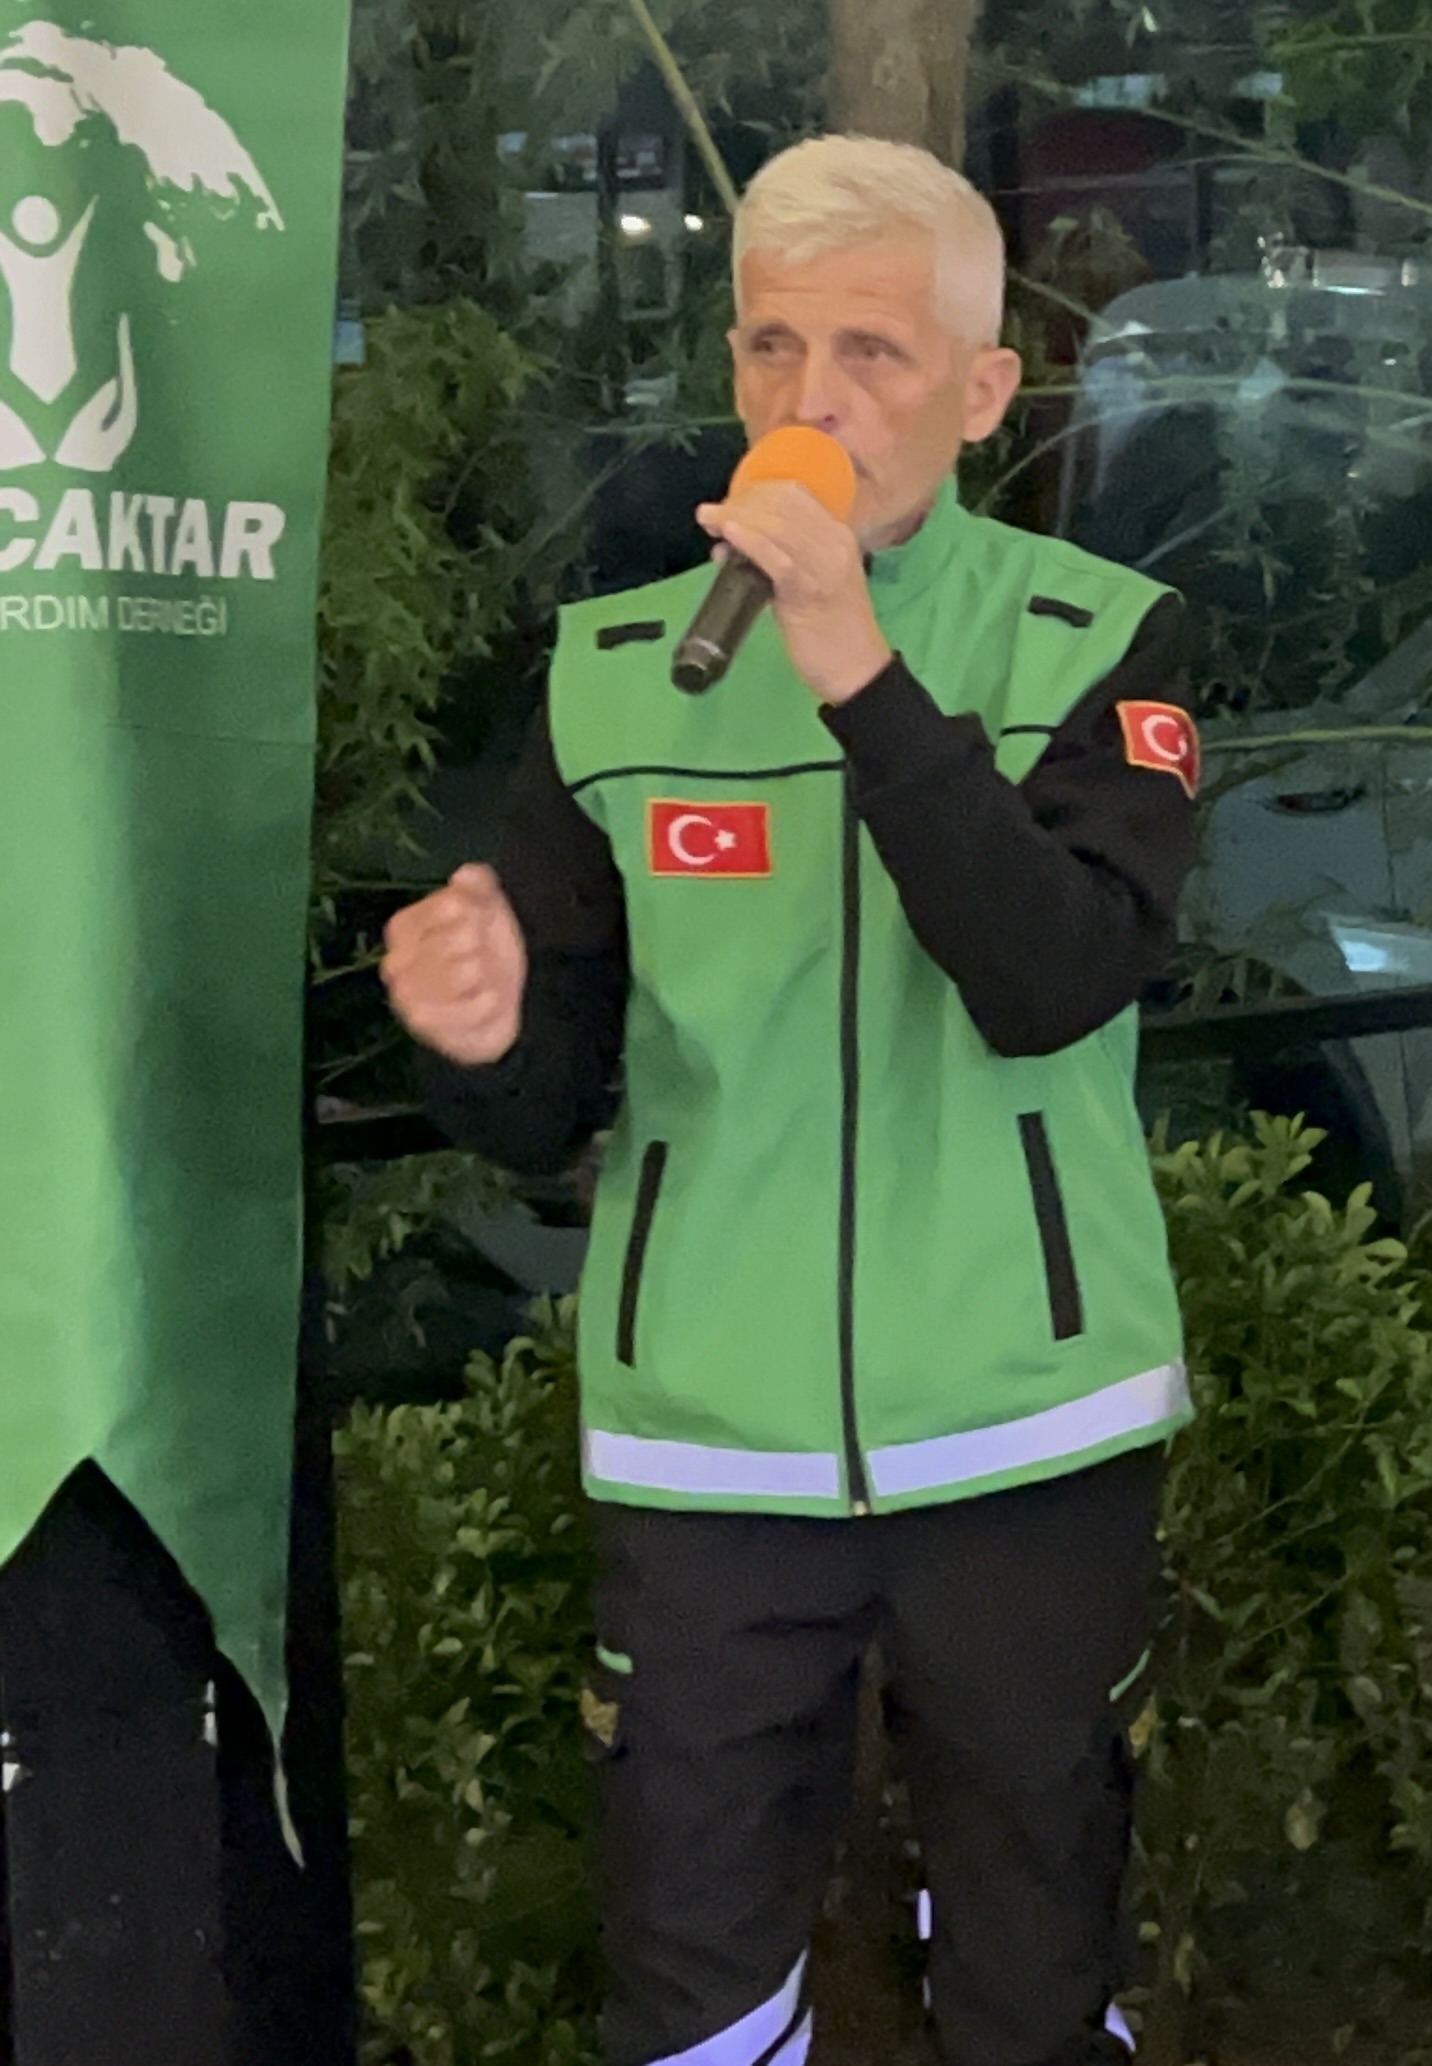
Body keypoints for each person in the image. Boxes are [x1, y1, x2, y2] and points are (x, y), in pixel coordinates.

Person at [380, 136, 1200, 2066]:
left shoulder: (1104, 638)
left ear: (984, 392)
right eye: (770, 346)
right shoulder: (614, 673)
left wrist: (858, 668)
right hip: (710, 1449)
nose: (808, 400)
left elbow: (1053, 979)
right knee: (692, 1976)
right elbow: (542, 1104)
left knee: (1032, 1961)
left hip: (1028, 1422)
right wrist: (474, 1029)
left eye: (870, 353)